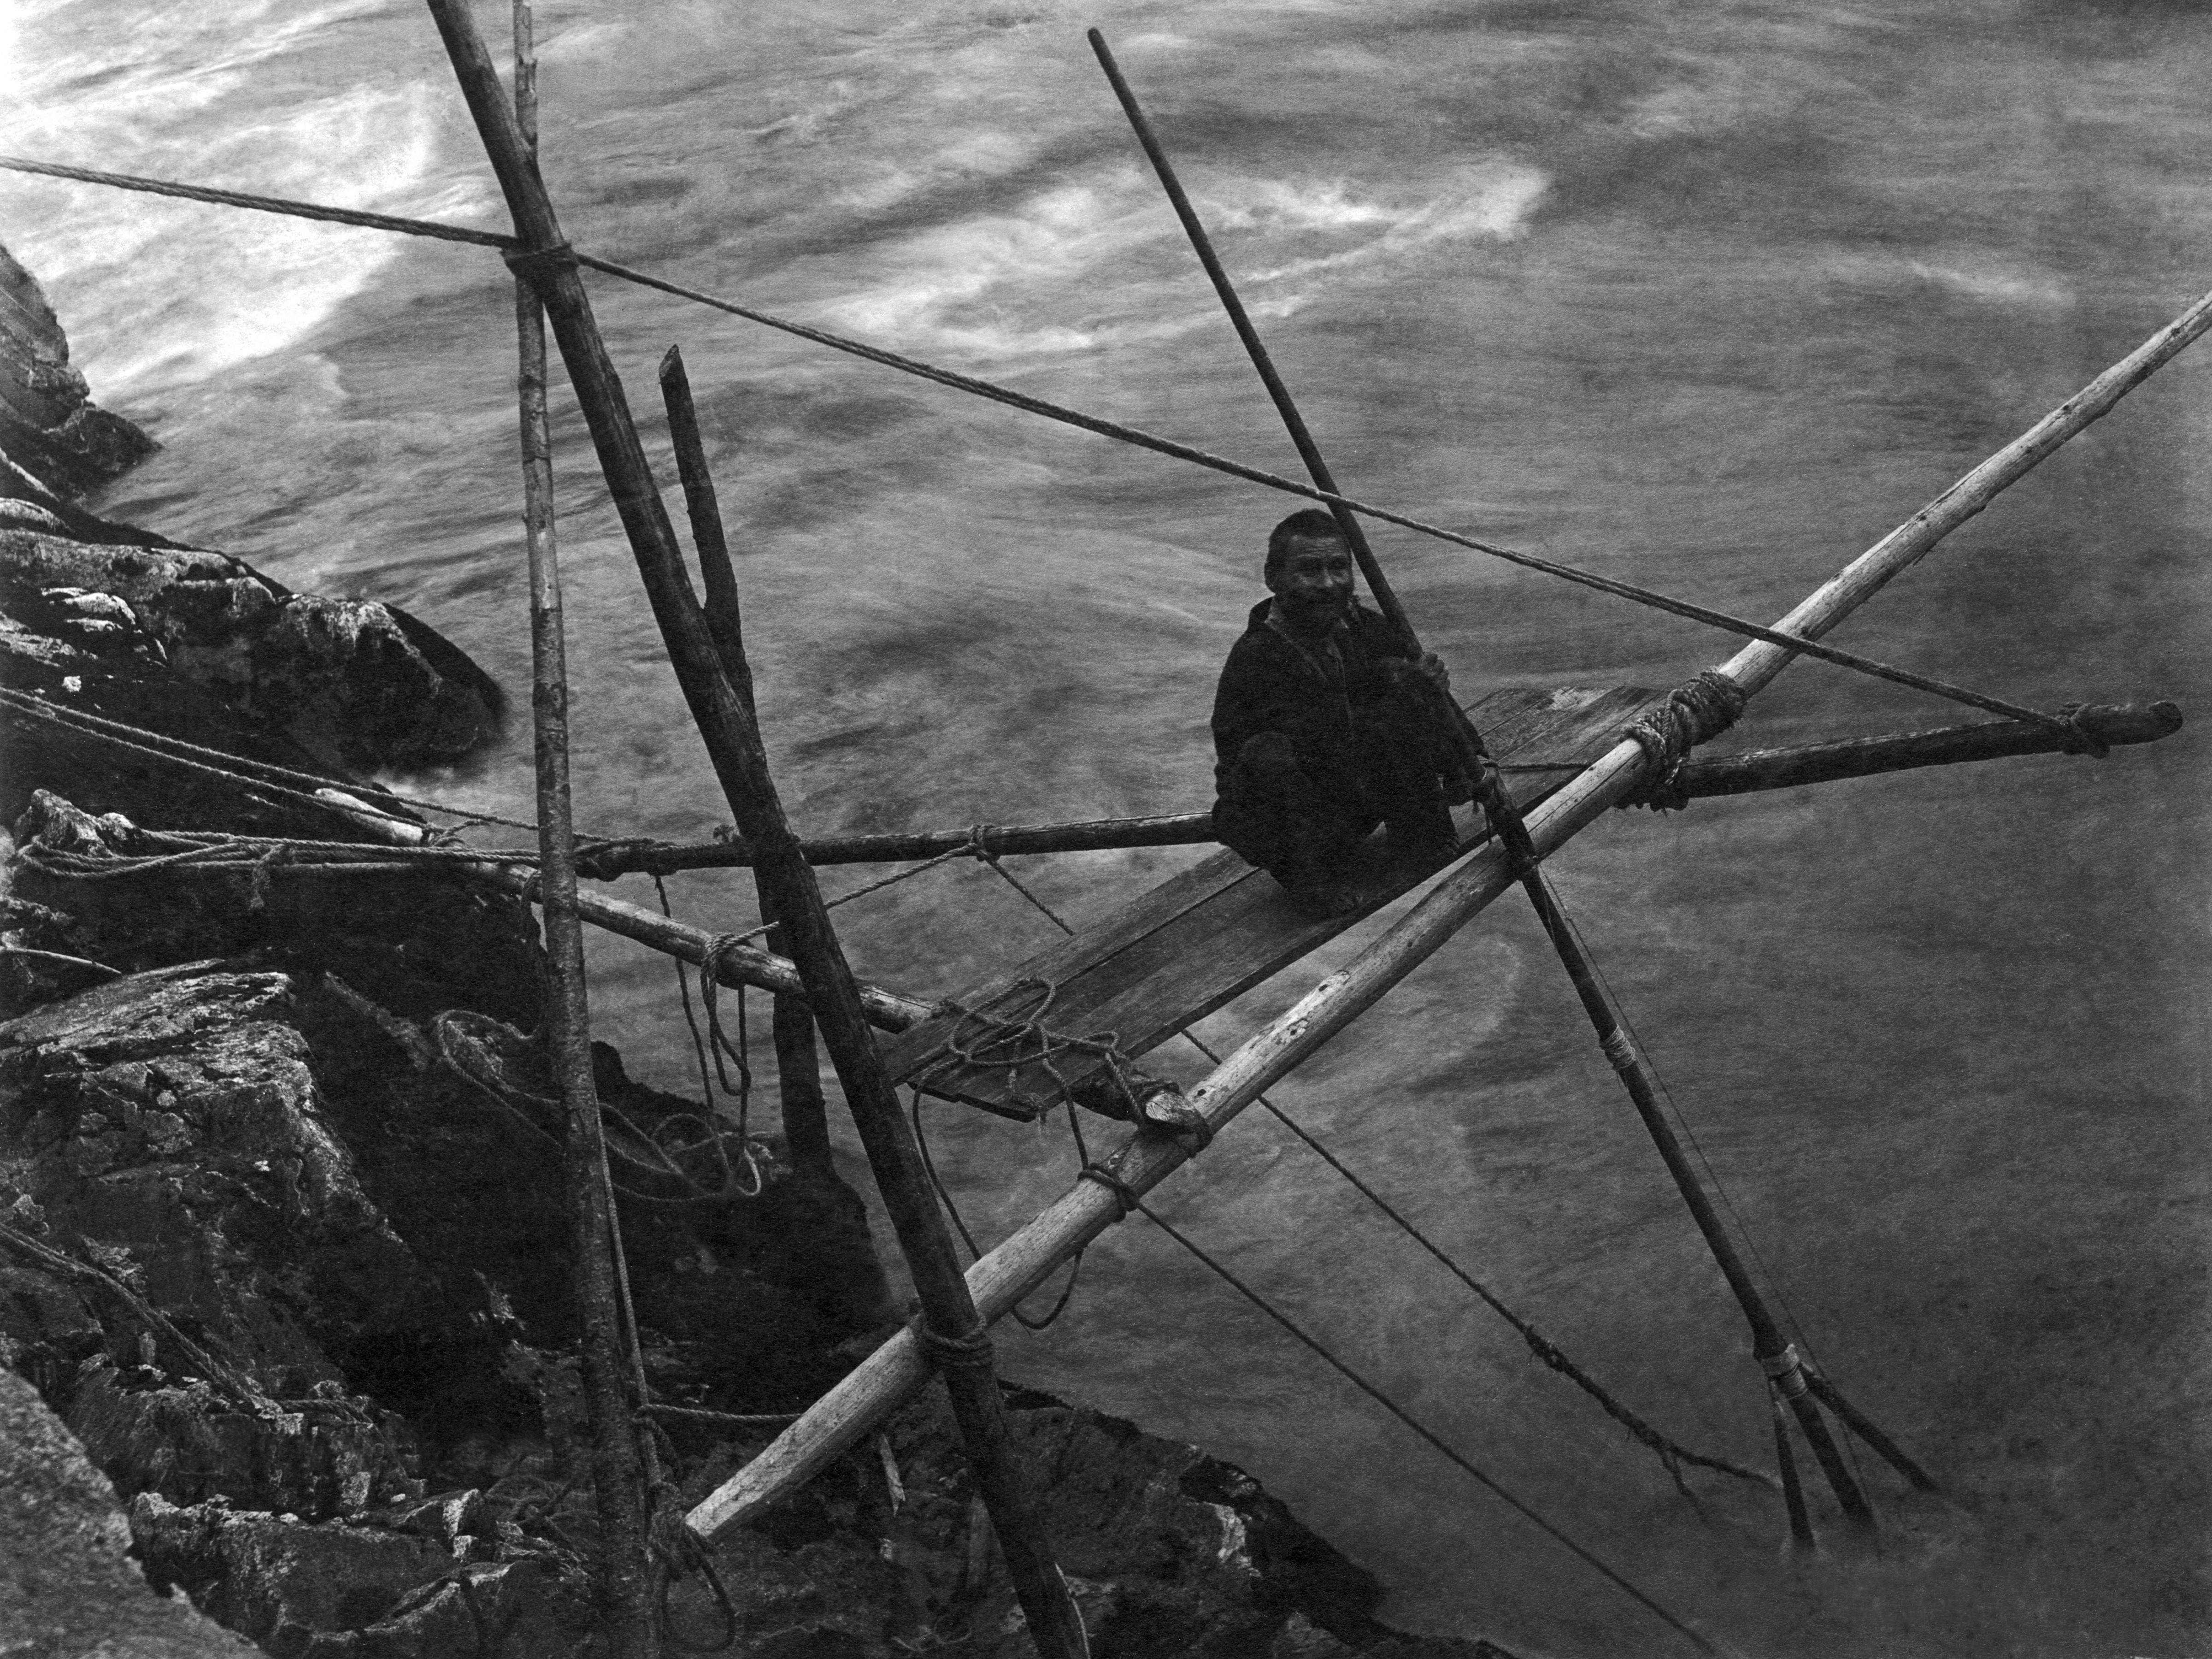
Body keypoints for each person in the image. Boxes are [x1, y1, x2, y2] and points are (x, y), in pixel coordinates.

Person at [1210, 508, 1471, 915]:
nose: (1329, 584)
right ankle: (1313, 885)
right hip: (1290, 820)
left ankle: (1422, 838)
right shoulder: (1257, 659)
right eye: (1310, 570)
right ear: (1274, 579)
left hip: (1352, 795)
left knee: (1395, 672)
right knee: (1268, 751)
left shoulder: (1357, 624)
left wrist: (1468, 763)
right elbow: (1323, 745)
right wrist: (1409, 691)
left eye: (1339, 568)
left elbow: (1412, 696)